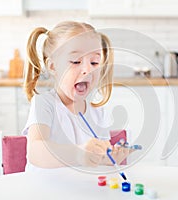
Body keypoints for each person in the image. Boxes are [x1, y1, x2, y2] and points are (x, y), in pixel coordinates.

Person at [22, 21, 132, 171]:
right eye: (76, 61)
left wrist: (109, 158)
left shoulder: (98, 112)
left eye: (94, 62)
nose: (87, 69)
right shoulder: (44, 104)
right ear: (53, 66)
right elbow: (36, 151)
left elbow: (96, 158)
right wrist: (79, 154)